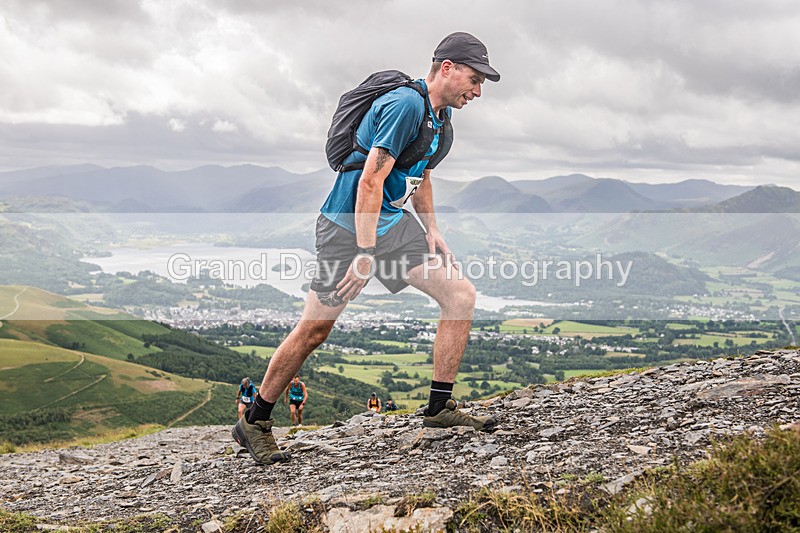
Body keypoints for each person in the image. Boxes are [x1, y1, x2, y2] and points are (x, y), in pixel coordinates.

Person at [232, 32, 500, 466]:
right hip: (347, 227)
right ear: (446, 68)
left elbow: (421, 174)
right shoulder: (405, 105)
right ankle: (255, 420)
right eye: (474, 78)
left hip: (391, 225)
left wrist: (432, 229)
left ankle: (439, 411)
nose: (478, 91)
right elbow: (370, 180)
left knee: (460, 295)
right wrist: (363, 253)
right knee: (315, 329)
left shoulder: (438, 120)